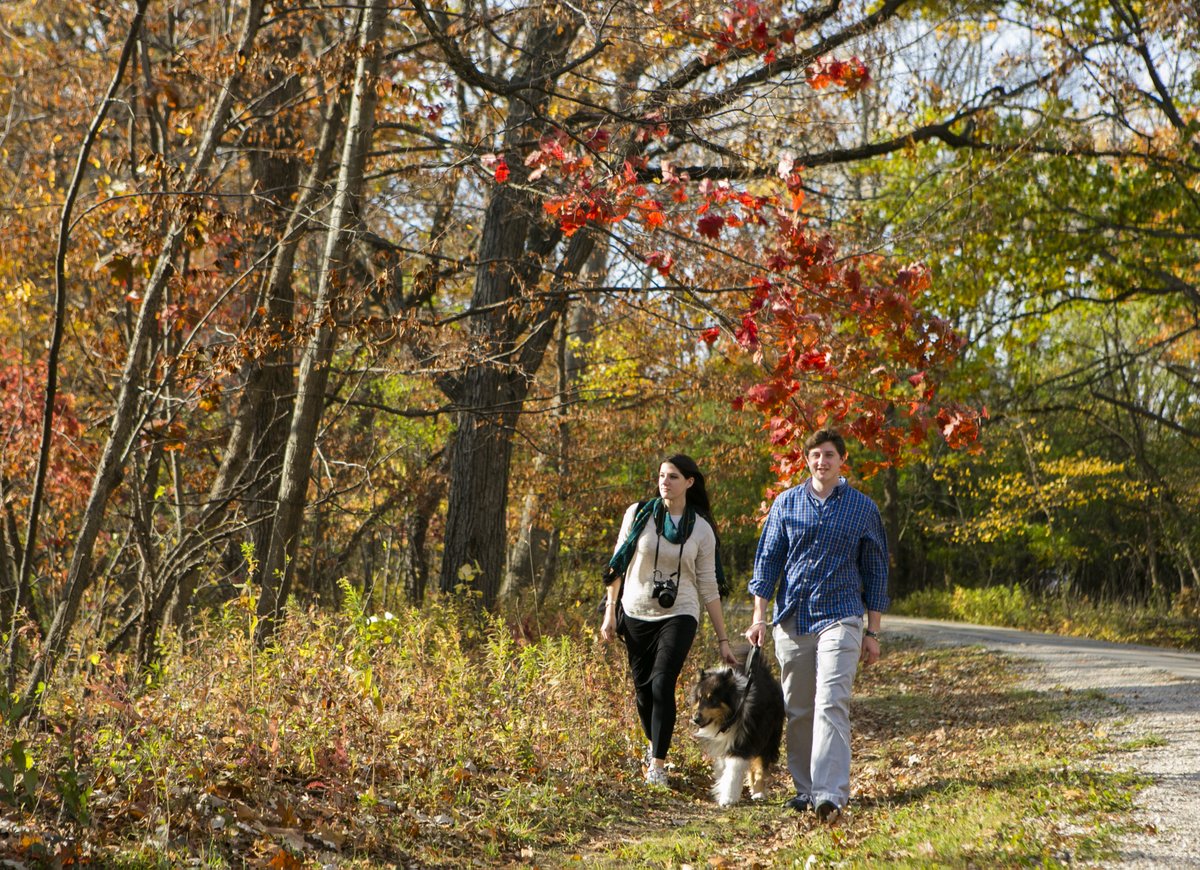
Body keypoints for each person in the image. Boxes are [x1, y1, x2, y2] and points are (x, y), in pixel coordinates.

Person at [744, 429, 888, 822]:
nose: (821, 462)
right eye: (815, 455)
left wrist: (872, 631)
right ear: (806, 460)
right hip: (793, 618)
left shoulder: (862, 508)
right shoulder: (786, 503)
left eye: (829, 455)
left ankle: (830, 794)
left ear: (842, 460)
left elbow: (875, 572)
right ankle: (805, 790)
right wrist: (759, 617)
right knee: (800, 709)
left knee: (831, 702)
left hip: (841, 615)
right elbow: (767, 564)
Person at [600, 454, 739, 787]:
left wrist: (723, 639)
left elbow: (708, 585)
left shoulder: (702, 530)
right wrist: (610, 612)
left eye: (673, 476)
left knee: (662, 682)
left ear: (689, 483)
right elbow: (617, 564)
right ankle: (654, 746)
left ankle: (657, 766)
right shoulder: (638, 515)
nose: (665, 481)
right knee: (643, 692)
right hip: (635, 609)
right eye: (662, 475)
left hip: (680, 613)